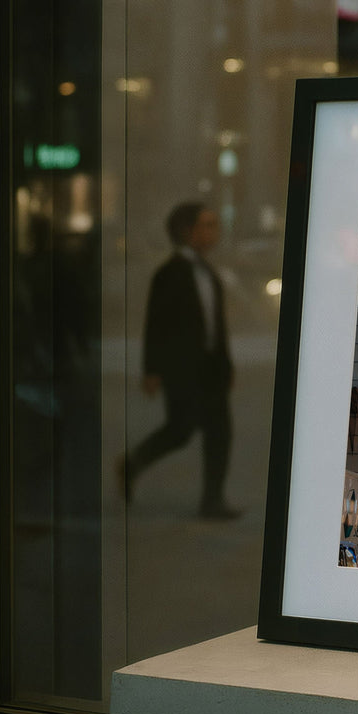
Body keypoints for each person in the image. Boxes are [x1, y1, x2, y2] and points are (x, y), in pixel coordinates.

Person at [119, 203, 240, 520]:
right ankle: (133, 463)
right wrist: (152, 370)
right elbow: (155, 324)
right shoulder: (169, 273)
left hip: (211, 368)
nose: (214, 231)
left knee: (219, 432)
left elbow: (217, 326)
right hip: (183, 369)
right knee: (180, 429)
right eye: (207, 224)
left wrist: (226, 365)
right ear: (187, 231)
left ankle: (212, 501)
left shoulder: (209, 273)